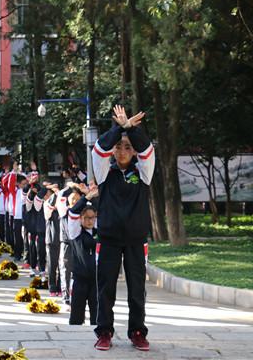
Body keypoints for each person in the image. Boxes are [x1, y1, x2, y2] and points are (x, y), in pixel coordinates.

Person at [92, 105, 155, 351]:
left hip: (136, 240)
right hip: (107, 238)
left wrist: (129, 129)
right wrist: (120, 128)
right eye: (118, 146)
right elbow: (98, 149)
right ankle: (104, 332)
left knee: (137, 289)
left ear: (133, 151)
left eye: (127, 146)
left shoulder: (143, 173)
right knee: (105, 288)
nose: (121, 151)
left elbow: (148, 150)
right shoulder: (104, 172)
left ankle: (137, 332)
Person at [67, 184, 99, 325]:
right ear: (81, 219)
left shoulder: (100, 233)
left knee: (97, 317)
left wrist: (95, 197)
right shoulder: (75, 233)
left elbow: (104, 211)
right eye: (86, 218)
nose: (89, 221)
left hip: (97, 281)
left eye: (92, 218)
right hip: (79, 281)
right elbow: (73, 212)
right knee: (76, 318)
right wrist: (87, 197)